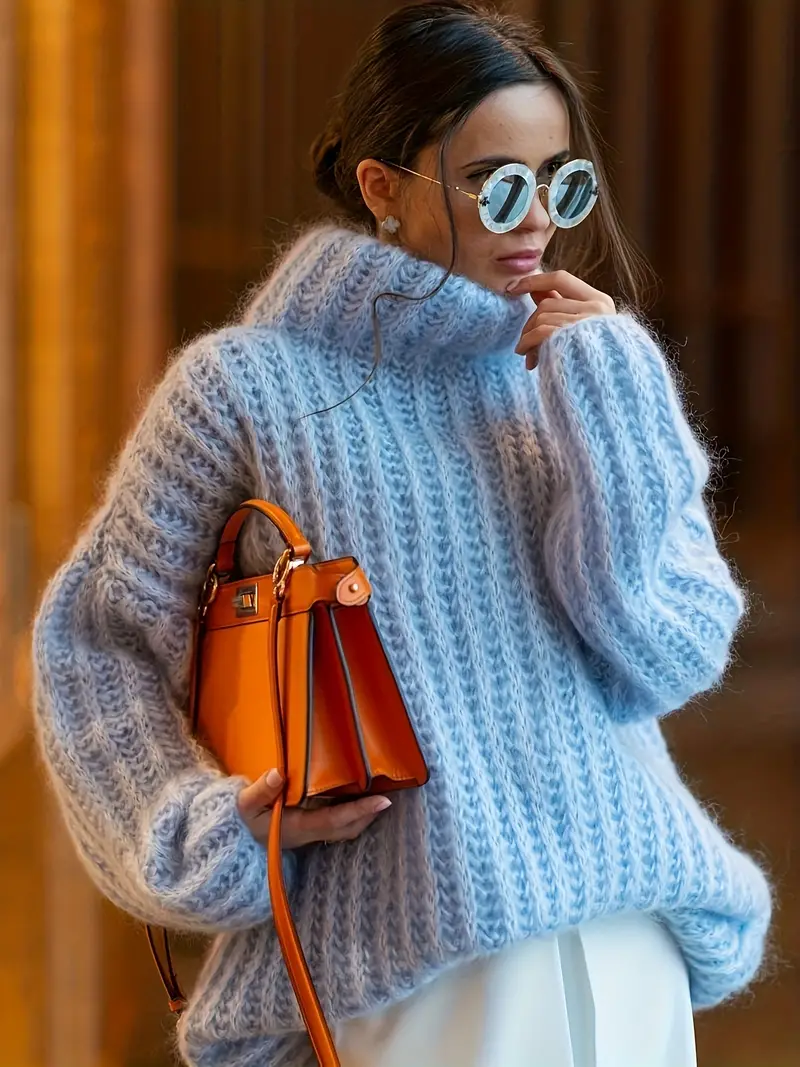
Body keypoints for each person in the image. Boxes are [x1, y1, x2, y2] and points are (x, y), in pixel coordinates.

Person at [32, 3, 772, 1066]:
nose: (536, 220)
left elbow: (666, 654)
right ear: (382, 187)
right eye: (494, 183)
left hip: (629, 947)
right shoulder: (244, 390)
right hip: (419, 975)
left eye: (560, 182)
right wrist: (206, 830)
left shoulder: (576, 373)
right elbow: (96, 645)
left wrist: (616, 394)